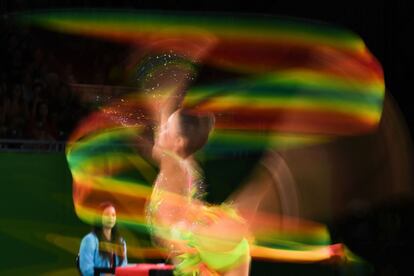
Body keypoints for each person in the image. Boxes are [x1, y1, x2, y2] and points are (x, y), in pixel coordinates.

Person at [79, 202, 128, 276]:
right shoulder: (89, 240)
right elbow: (87, 270)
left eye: (113, 215)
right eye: (107, 214)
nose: (110, 218)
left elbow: (124, 267)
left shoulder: (121, 241)